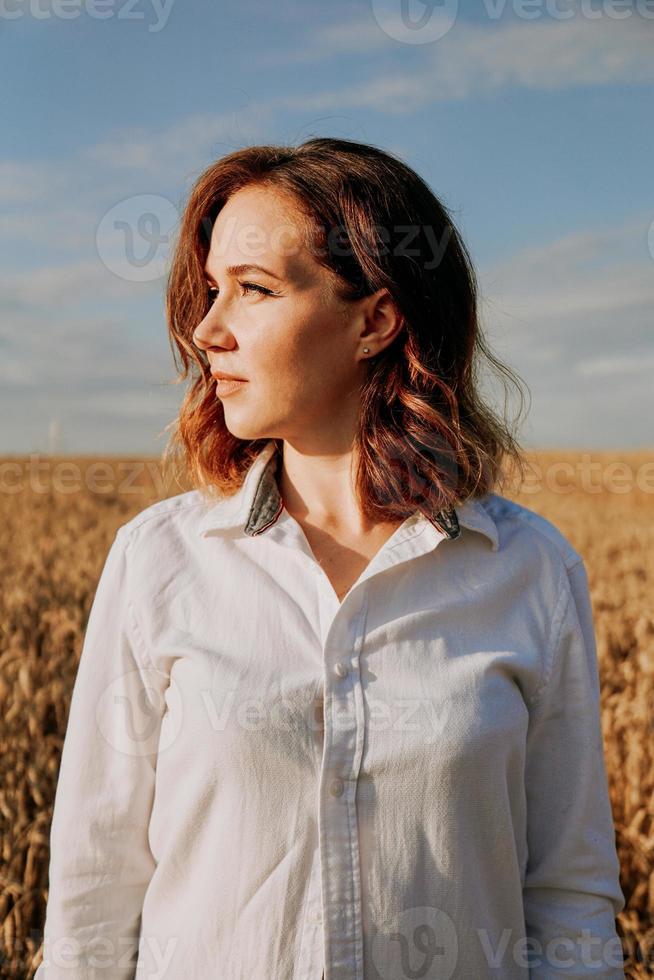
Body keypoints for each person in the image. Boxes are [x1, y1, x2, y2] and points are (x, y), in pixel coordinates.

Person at [35, 137, 626, 979]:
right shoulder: (158, 562)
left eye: (253, 290)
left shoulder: (531, 571)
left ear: (375, 320)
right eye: (211, 291)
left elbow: (567, 899)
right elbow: (93, 897)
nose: (208, 330)